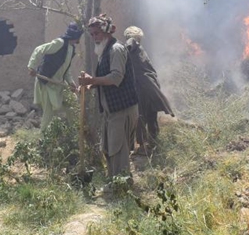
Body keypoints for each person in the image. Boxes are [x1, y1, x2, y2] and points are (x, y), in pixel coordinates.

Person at [78, 14, 138, 189]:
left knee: (118, 150)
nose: (94, 37)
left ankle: (122, 188)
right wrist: (88, 87)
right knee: (109, 149)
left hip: (122, 109)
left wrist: (92, 81)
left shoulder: (116, 49)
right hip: (111, 111)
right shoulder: (104, 51)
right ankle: (115, 183)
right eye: (92, 34)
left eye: (97, 33)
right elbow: (104, 79)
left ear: (106, 32)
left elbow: (116, 77)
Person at [123, 26, 174, 155]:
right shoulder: (140, 50)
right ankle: (152, 143)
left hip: (143, 86)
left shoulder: (133, 45)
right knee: (150, 115)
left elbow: (130, 42)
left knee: (141, 115)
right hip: (150, 85)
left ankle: (144, 146)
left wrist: (125, 48)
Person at [27, 22, 83, 130]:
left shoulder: (71, 49)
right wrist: (31, 66)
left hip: (59, 83)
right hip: (47, 82)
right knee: (48, 113)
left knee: (72, 105)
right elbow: (39, 49)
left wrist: (71, 83)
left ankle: (75, 133)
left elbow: (66, 70)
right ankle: (43, 142)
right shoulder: (59, 43)